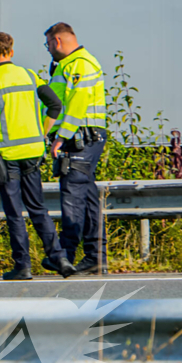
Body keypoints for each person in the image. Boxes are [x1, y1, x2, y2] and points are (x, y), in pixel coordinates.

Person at [0, 32, 76, 280]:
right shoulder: (30, 75)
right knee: (38, 208)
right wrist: (42, 133)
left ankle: (23, 266)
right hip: (33, 152)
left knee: (14, 212)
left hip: (6, 156)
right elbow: (55, 104)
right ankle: (60, 258)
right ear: (11, 51)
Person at [45, 22, 108, 275]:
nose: (48, 50)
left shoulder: (80, 64)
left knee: (72, 194)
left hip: (81, 137)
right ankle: (95, 257)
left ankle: (65, 255)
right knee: (87, 196)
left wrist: (62, 136)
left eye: (48, 44)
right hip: (84, 136)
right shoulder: (70, 65)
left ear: (57, 41)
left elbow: (77, 104)